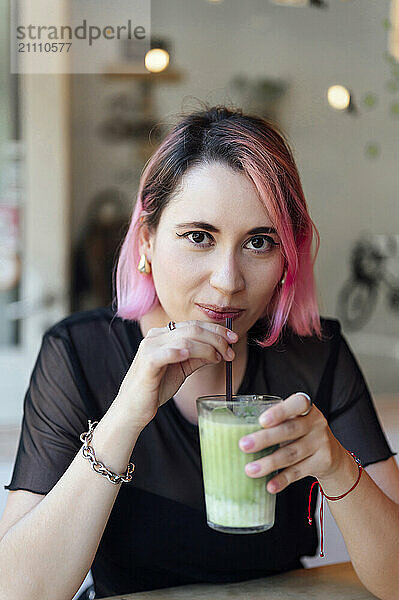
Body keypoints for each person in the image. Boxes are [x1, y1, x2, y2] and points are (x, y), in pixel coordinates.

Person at [1, 105, 398, 600]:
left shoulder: (314, 355)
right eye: (199, 237)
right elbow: (19, 592)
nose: (228, 281)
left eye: (258, 242)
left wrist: (338, 467)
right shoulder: (80, 355)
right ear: (146, 241)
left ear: (286, 258)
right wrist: (125, 417)